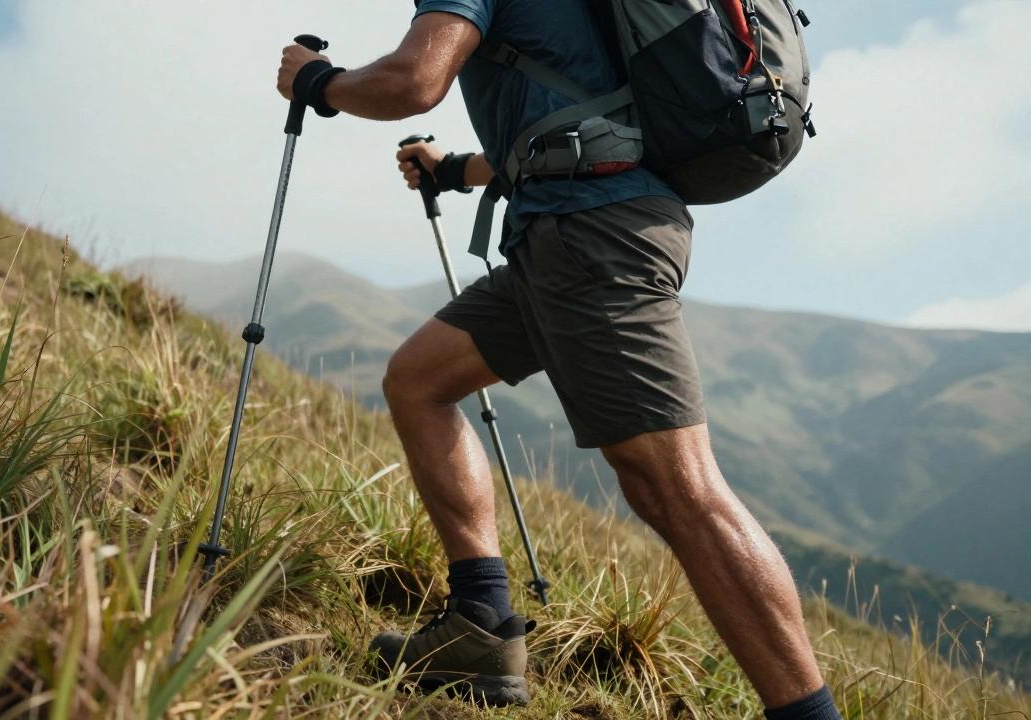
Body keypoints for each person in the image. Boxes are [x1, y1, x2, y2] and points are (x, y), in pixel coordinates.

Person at [276, 2, 841, 717]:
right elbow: (573, 104)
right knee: (419, 380)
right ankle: (480, 627)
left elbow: (413, 83)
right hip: (570, 228)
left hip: (591, 238)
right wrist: (455, 171)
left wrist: (317, 80)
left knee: (678, 490)